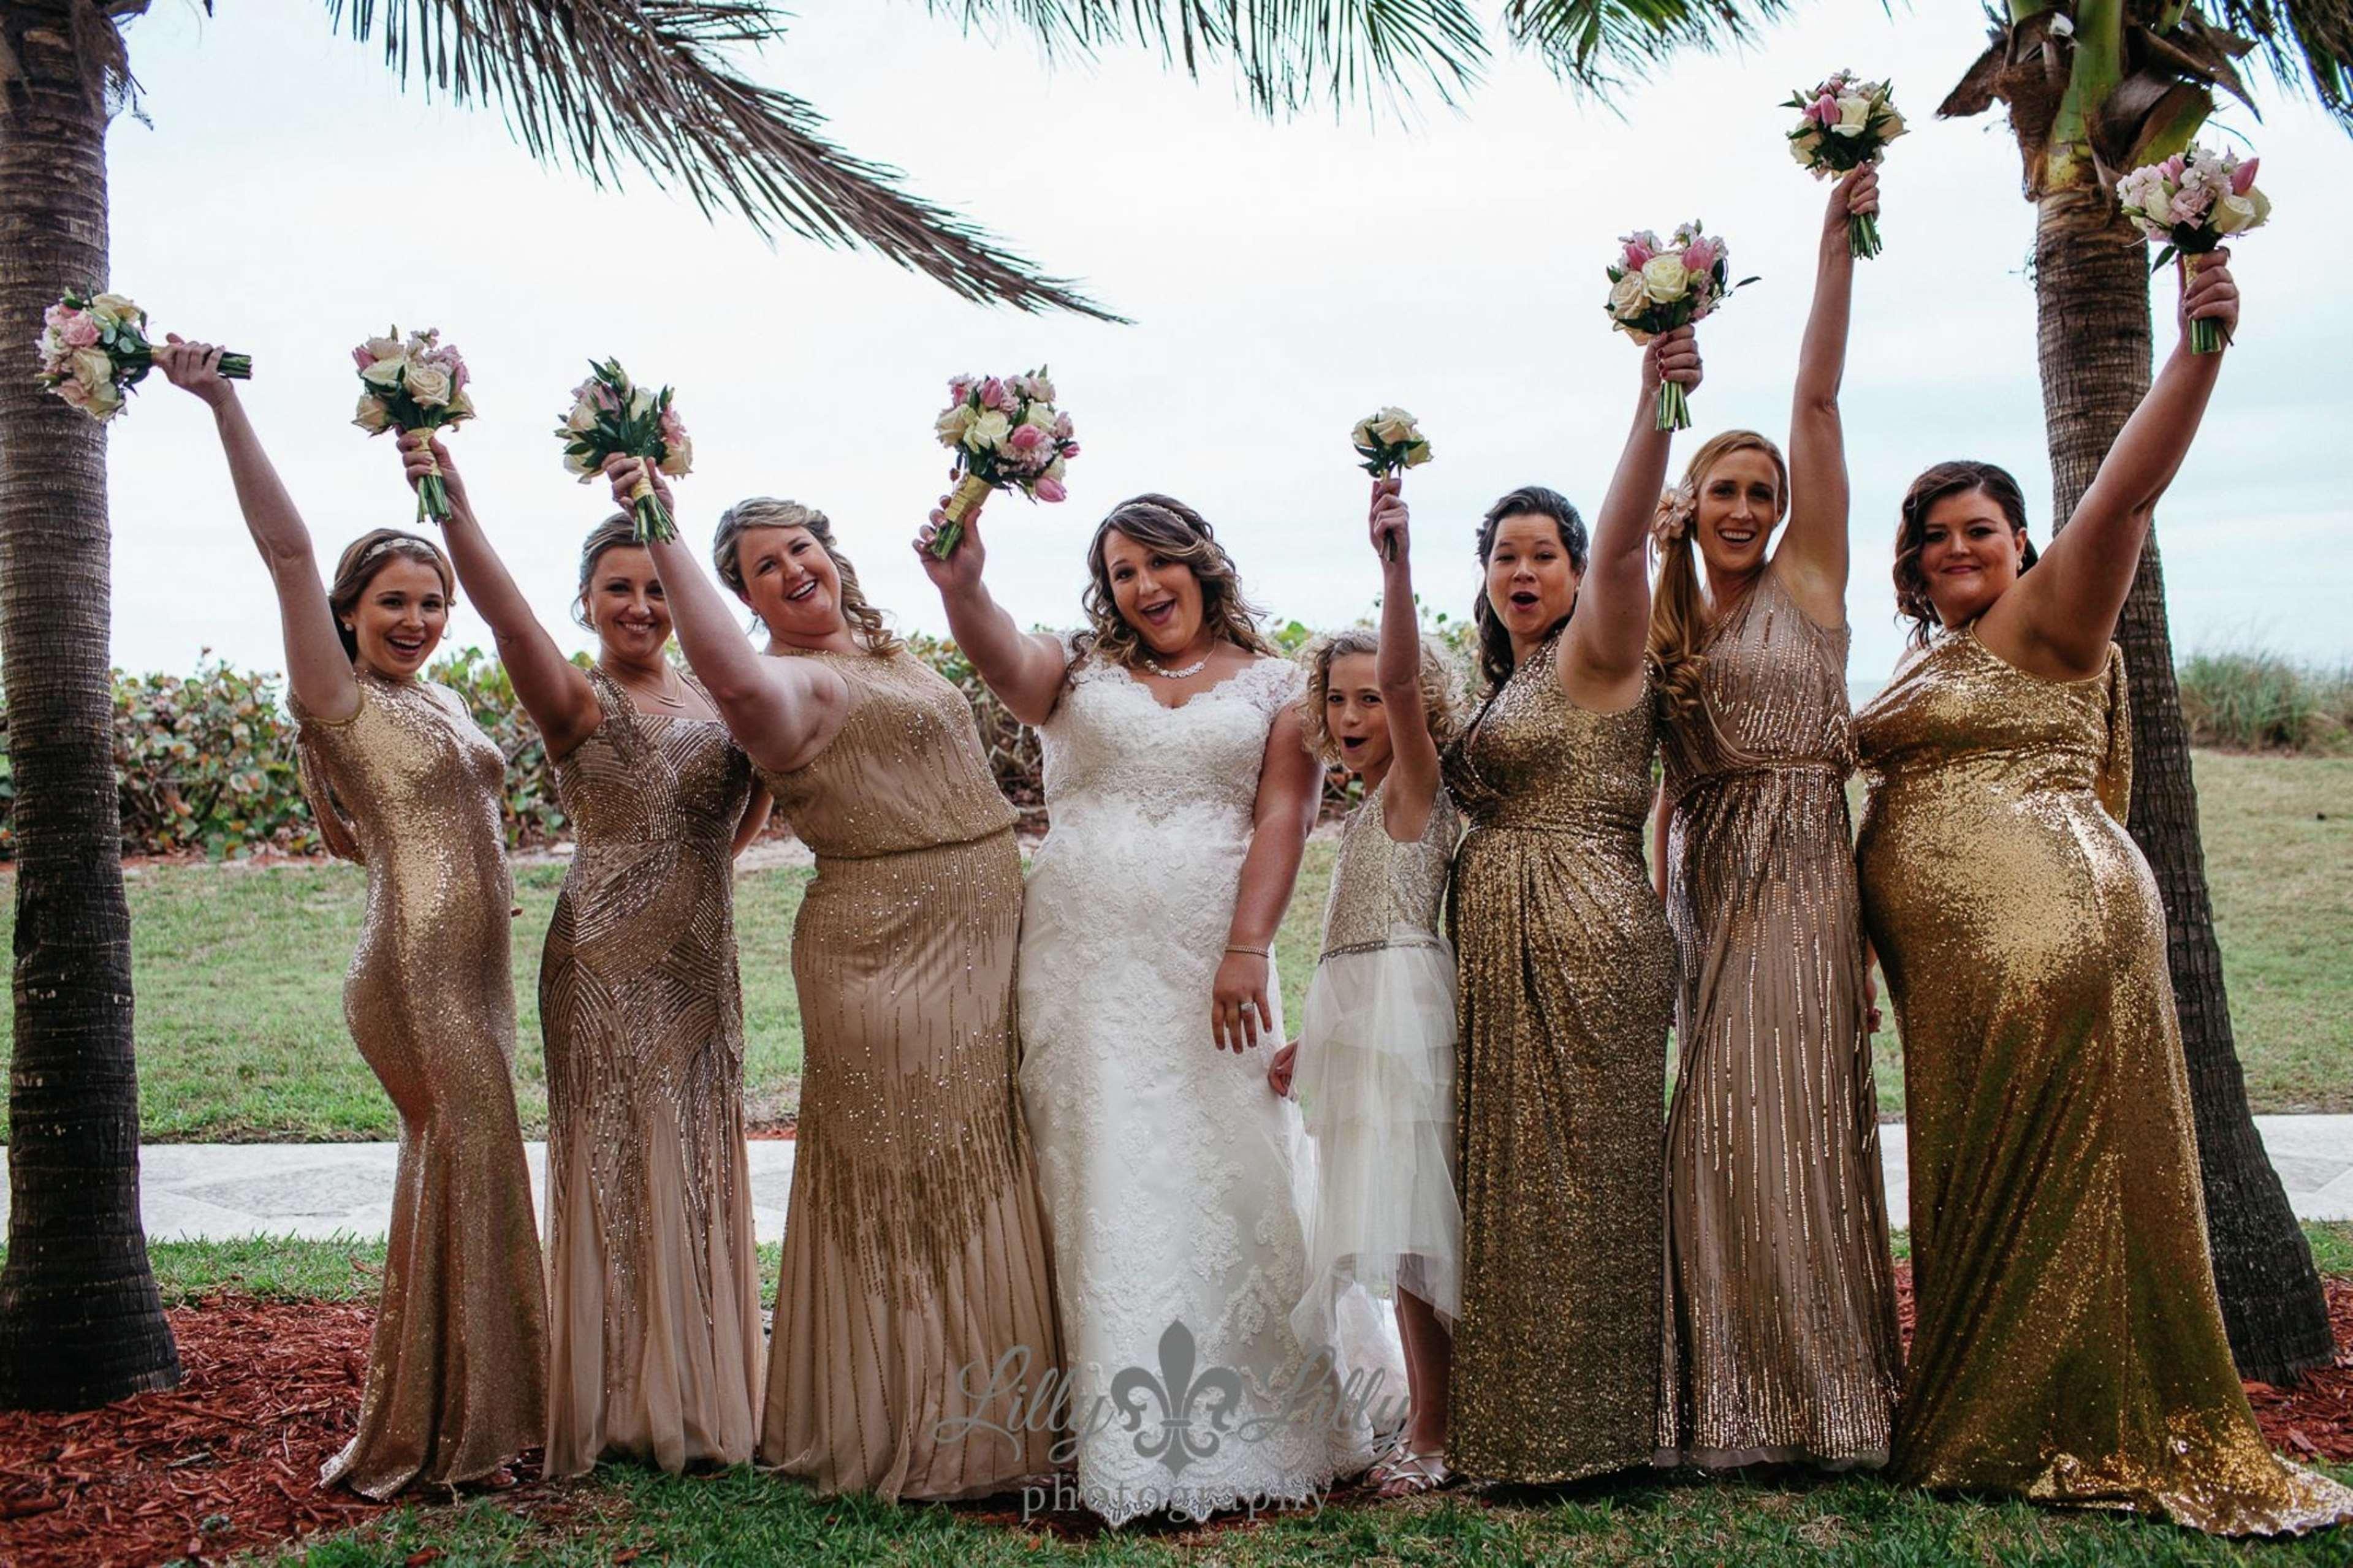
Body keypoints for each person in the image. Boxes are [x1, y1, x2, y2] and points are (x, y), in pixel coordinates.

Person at [1855, 256, 2351, 1533]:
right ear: (1911, 565)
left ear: (2023, 541)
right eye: (1936, 534)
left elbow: (2128, 488)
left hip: (2051, 919)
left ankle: (2048, 1419)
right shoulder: (1936, 658)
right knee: (1990, 1166)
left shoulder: (2053, 616)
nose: (1960, 546)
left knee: (2054, 1168)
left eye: (1982, 527)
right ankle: (1998, 1405)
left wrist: (2197, 341)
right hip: (1956, 958)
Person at [918, 491, 1383, 1524]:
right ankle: (1103, 1424)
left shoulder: (1278, 687)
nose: (1142, 587)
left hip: (1211, 961)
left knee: (1230, 1155)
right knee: (1096, 1160)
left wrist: (1247, 946)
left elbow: (1283, 816)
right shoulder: (1075, 673)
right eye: (1121, 571)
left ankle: (1257, 1408)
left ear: (1202, 564)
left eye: (1157, 564)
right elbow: (1000, 661)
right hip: (1082, 960)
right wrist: (964, 588)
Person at [606, 457, 1059, 1501]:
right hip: (883, 945)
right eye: (763, 568)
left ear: (831, 552)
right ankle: (921, 1430)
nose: (792, 570)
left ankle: (1001, 1411)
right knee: (914, 1170)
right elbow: (730, 682)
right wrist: (657, 522)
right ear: (741, 599)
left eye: (801, 548)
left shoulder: (879, 645)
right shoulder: (784, 681)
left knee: (983, 1155)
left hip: (984, 928)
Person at [158, 339, 545, 1496]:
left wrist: (431, 467)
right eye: (393, 603)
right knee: (467, 1153)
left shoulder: (441, 693)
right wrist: (223, 402)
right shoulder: (336, 695)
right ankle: (442, 1432)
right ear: (349, 612)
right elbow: (283, 550)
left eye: (431, 603)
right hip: (414, 963)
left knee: (469, 1165)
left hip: (475, 966)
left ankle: (471, 1412)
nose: (418, 620)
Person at [401, 433, 769, 1479]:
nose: (643, 607)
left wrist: (690, 885)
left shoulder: (721, 695)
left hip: (704, 964)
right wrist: (451, 498)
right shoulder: (573, 698)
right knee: (615, 1171)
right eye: (618, 590)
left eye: (657, 586)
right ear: (587, 602)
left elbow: (733, 826)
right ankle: (621, 1401)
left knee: (696, 1164)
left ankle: (705, 1386)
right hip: (601, 964)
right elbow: (502, 610)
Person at [1649, 167, 1901, 1471]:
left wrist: (1831, 244)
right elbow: (1648, 783)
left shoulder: (1810, 579)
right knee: (1713, 1126)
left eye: (1762, 489)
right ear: (1693, 504)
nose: (1748, 506)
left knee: (1786, 1116)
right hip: (1711, 879)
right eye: (1725, 491)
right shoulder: (1668, 612)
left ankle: (1824, 1402)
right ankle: (1732, 1394)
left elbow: (1816, 400)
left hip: (1806, 873)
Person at [1439, 327, 1698, 1483]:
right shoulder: (1506, 682)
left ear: (1582, 570)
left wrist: (1654, 403)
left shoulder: (1602, 648)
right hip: (1495, 933)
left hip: (1590, 924)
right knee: (1509, 1174)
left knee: (1587, 1178)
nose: (1523, 572)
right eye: (1504, 557)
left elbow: (1636, 536)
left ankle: (1597, 1432)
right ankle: (1513, 1424)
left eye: (1545, 553)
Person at [1274, 476, 1464, 1498]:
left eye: (1371, 696)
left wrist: (1394, 565)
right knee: (1396, 1245)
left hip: (1404, 1016)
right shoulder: (1359, 810)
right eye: (1335, 699)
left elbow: (1401, 689)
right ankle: (1435, 1423)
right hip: (1361, 1017)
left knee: (1417, 1243)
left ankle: (1435, 1436)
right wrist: (1320, 1043)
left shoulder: (1416, 780)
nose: (1354, 714)